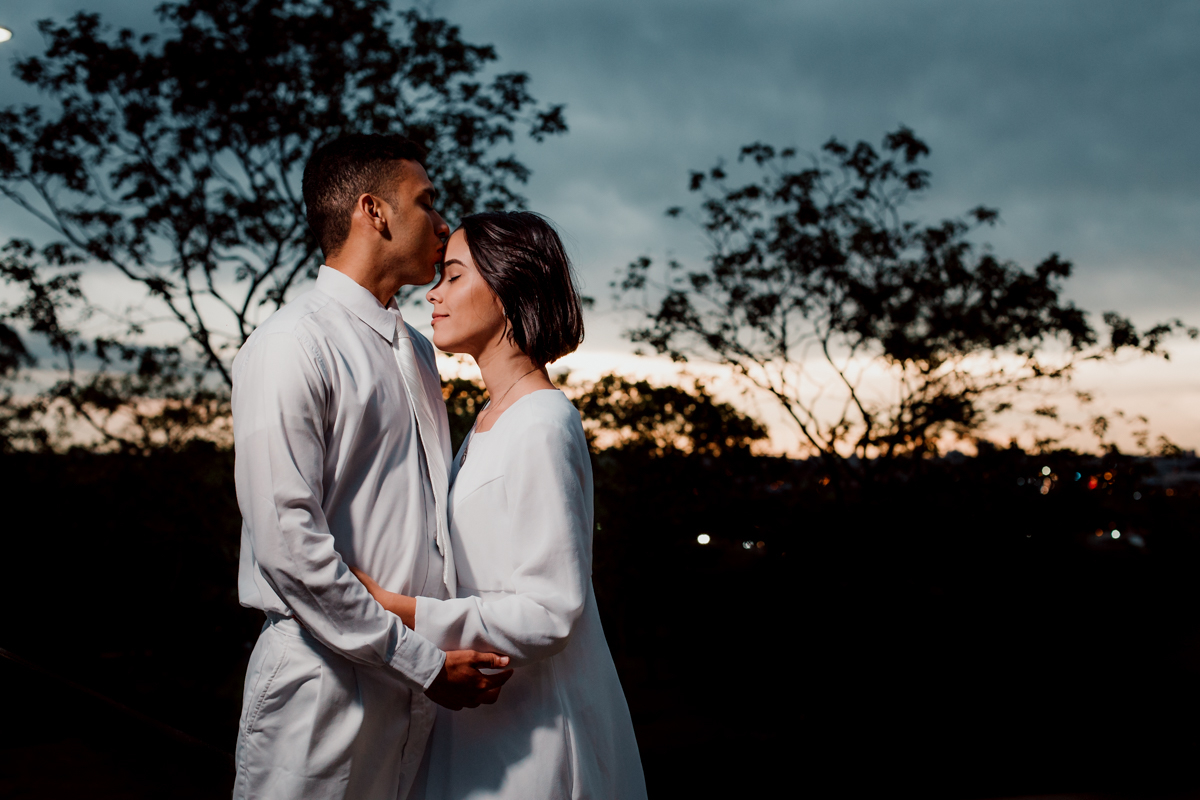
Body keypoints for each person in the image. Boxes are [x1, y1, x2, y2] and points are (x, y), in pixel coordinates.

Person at [231, 134, 512, 800]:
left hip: (419, 683)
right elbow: (287, 544)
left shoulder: (416, 349)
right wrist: (421, 663)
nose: (444, 224)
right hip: (320, 685)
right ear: (375, 212)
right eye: (426, 201)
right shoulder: (290, 344)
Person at [350, 211, 649, 800]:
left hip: (535, 735)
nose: (432, 294)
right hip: (483, 720)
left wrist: (403, 611)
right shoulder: (489, 420)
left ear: (508, 288)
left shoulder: (542, 421)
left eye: (453, 276)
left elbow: (552, 609)